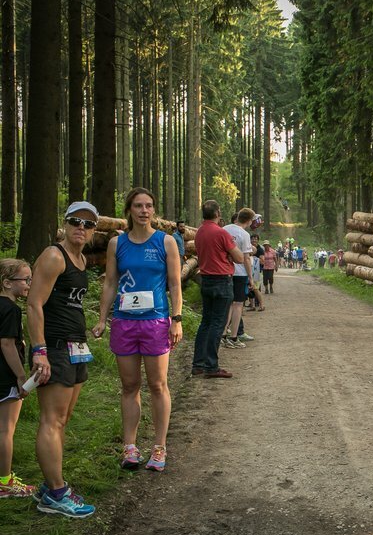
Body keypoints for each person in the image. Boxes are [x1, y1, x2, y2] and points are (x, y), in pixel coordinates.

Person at [94, 187, 182, 472]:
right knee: (130, 385)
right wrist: (102, 318)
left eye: (149, 206)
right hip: (124, 321)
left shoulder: (165, 241)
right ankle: (130, 447)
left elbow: (175, 284)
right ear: (129, 210)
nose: (144, 210)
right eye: (138, 206)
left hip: (155, 321)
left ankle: (159, 446)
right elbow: (110, 282)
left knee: (157, 384)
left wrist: (177, 319)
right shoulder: (116, 243)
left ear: (153, 210)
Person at [27, 201, 100, 517]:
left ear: (94, 230)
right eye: (75, 221)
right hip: (54, 347)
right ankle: (56, 494)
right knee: (51, 420)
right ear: (65, 223)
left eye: (88, 224)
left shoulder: (80, 260)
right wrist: (39, 350)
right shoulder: (54, 255)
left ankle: (49, 485)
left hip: (76, 347)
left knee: (63, 418)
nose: (81, 228)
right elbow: (34, 304)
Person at [191, 200, 243, 378]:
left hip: (206, 279)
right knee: (218, 323)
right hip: (222, 280)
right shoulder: (221, 233)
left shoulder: (199, 232)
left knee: (206, 322)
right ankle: (211, 366)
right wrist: (229, 255)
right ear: (217, 213)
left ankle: (198, 363)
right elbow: (239, 258)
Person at [0, 258, 34, 498]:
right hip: (5, 377)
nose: (29, 284)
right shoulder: (10, 309)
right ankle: (5, 482)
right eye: (25, 279)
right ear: (6, 282)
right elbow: (7, 344)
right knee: (5, 430)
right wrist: (21, 376)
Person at [223, 208, 256, 348]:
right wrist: (251, 277)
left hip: (225, 271)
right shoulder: (244, 234)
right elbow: (246, 258)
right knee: (238, 305)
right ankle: (234, 337)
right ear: (249, 221)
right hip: (240, 273)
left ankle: (223, 334)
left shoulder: (224, 229)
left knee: (228, 304)